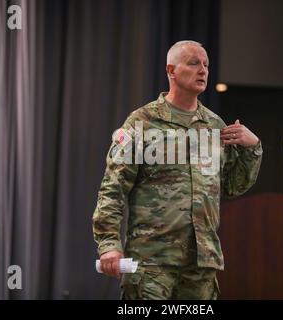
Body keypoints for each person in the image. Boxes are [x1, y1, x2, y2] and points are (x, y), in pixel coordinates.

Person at [93, 40, 262, 299]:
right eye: (194, 63)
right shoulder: (142, 122)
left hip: (201, 264)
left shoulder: (214, 125)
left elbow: (231, 186)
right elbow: (113, 187)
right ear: (171, 71)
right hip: (151, 262)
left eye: (206, 64)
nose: (203, 70)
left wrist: (252, 149)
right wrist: (108, 245)